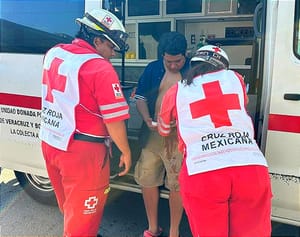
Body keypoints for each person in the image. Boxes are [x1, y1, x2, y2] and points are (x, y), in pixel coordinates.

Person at [157, 45, 272, 237]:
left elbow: (163, 129)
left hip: (203, 171)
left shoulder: (176, 91)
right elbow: (242, 106)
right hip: (250, 166)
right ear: (223, 66)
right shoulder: (236, 79)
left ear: (193, 66)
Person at [39, 9, 132, 237]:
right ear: (97, 39)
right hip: (84, 153)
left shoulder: (54, 53)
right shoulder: (100, 68)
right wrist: (126, 151)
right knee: (82, 219)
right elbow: (114, 120)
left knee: (70, 207)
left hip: (52, 141)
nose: (111, 53)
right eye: (110, 47)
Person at [134, 31, 190, 237]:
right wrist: (148, 119)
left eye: (178, 61)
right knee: (147, 177)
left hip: (180, 138)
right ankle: (152, 227)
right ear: (162, 57)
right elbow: (140, 98)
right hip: (153, 134)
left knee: (177, 183)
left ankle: (174, 231)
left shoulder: (194, 71)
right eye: (169, 61)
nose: (174, 65)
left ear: (186, 55)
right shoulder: (153, 68)